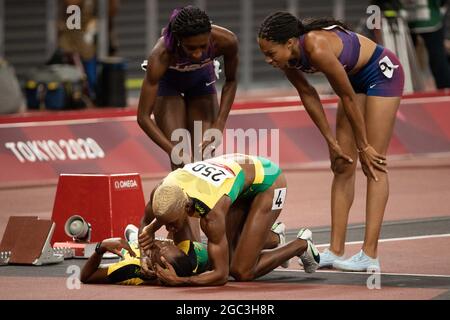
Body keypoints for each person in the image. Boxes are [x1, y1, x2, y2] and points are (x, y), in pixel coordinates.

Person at [257, 12, 405, 272]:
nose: (268, 60)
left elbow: (347, 97)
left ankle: (369, 254)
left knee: (374, 162)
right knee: (342, 165)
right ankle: (336, 251)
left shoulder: (316, 46)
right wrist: (330, 141)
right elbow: (308, 94)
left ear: (290, 43)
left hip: (381, 73)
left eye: (271, 53)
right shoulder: (287, 61)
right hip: (354, 80)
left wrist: (363, 146)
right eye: (265, 55)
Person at [138, 153, 320, 286]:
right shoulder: (162, 192)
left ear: (186, 207)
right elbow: (146, 222)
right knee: (231, 255)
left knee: (241, 271)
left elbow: (221, 275)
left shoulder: (211, 214)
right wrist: (143, 255)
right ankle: (271, 237)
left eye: (172, 223)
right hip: (233, 180)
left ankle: (301, 244)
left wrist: (183, 281)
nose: (169, 229)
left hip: (268, 181)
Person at [137, 5, 238, 169]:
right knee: (180, 160)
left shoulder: (226, 41)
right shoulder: (161, 55)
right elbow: (143, 117)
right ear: (178, 40)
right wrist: (174, 151)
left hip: (201, 81)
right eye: (191, 48)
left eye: (203, 46)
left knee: (204, 158)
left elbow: (231, 81)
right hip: (169, 84)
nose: (198, 54)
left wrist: (219, 124)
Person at [80, 231, 209, 285]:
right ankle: (133, 233)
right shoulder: (193, 253)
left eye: (155, 252)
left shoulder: (133, 269)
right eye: (167, 243)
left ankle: (132, 234)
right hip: (141, 239)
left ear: (156, 268)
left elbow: (86, 276)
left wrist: (100, 248)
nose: (158, 242)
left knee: (136, 237)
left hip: (130, 247)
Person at [402, 0, 450, 88]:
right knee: (404, 58)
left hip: (430, 21)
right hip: (404, 22)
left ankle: (445, 88)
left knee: (437, 58)